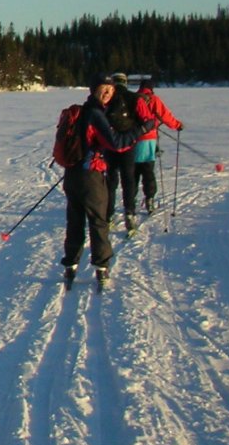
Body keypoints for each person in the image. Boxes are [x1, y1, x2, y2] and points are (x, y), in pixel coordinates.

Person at [60, 73, 147, 289]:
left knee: (75, 220)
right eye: (103, 88)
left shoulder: (80, 111)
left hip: (72, 175)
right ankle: (101, 265)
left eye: (110, 89)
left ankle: (70, 263)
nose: (108, 92)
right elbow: (116, 143)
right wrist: (142, 129)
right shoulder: (95, 114)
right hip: (90, 177)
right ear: (94, 90)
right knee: (98, 221)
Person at [102, 72, 147, 234]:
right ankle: (129, 213)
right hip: (129, 146)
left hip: (110, 146)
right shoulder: (135, 98)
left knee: (111, 180)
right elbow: (148, 121)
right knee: (128, 180)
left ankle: (108, 215)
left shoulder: (107, 98)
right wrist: (134, 134)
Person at [132, 78, 183, 214]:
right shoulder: (153, 99)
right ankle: (149, 200)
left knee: (133, 173)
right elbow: (165, 116)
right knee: (148, 171)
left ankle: (130, 202)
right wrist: (177, 125)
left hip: (132, 140)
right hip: (148, 140)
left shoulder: (133, 98)